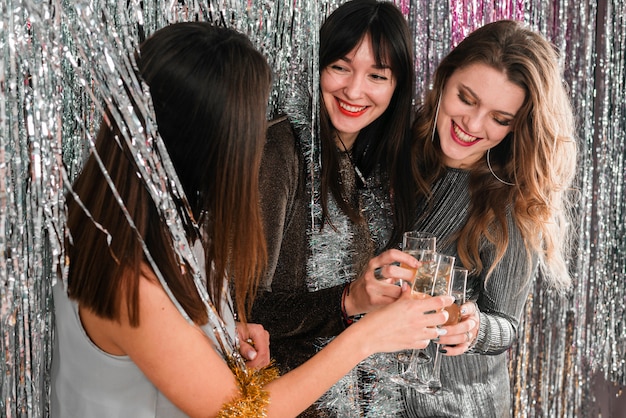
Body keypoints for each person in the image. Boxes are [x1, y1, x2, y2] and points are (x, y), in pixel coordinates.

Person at [50, 22, 454, 418]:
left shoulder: (158, 226)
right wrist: (367, 336)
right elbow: (245, 415)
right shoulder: (129, 276)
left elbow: (177, 348)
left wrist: (223, 336)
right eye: (248, 131)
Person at [250, 0, 421, 415]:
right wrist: (347, 300)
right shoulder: (278, 150)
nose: (354, 90)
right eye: (340, 67)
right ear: (317, 65)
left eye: (377, 76)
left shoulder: (379, 167)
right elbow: (244, 311)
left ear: (396, 87)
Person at [401, 19, 578, 417]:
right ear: (444, 77)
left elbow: (507, 324)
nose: (473, 125)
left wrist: (475, 327)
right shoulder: (397, 149)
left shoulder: (510, 202)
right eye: (466, 98)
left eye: (500, 119)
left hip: (455, 406)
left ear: (518, 126)